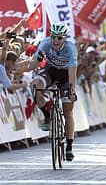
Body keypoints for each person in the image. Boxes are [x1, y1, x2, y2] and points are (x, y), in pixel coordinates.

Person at [29, 23, 78, 161]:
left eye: (59, 38)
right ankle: (47, 114)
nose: (55, 40)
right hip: (50, 73)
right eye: (53, 37)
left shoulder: (70, 48)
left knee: (68, 112)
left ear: (64, 38)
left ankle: (69, 146)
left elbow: (72, 72)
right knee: (36, 85)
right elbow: (33, 64)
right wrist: (36, 60)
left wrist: (72, 89)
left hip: (66, 76)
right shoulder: (45, 44)